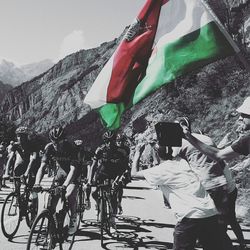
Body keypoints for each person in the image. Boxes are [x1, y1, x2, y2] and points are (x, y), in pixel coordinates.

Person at [132, 144, 224, 250]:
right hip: (210, 212)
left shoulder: (161, 170)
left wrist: (137, 153)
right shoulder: (182, 161)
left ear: (156, 154)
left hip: (190, 216)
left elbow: (134, 174)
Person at [173, 117, 232, 250]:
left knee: (197, 221)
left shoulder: (180, 143)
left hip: (203, 186)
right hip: (220, 183)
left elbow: (175, 165)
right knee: (219, 223)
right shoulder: (207, 138)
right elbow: (219, 158)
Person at [33, 126, 80, 235]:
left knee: (69, 194)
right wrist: (37, 183)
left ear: (64, 140)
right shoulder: (49, 148)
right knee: (50, 204)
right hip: (60, 174)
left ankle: (73, 218)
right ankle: (53, 228)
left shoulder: (71, 148)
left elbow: (73, 170)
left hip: (73, 175)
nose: (56, 145)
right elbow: (42, 167)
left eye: (58, 142)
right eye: (54, 142)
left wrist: (64, 186)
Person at [181, 96, 250, 161]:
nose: (240, 118)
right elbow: (219, 155)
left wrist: (188, 137)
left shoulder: (247, 140)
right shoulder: (246, 141)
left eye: (244, 114)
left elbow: (218, 155)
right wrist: (188, 136)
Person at [89, 130, 128, 229]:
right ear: (104, 141)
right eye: (107, 141)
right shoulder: (100, 150)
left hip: (114, 174)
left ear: (115, 140)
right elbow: (93, 165)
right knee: (94, 193)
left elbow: (123, 167)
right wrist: (90, 180)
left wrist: (117, 179)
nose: (109, 143)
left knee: (112, 196)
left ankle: (112, 220)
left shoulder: (121, 151)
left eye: (112, 141)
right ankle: (98, 204)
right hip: (101, 173)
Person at [4, 127, 41, 191]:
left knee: (31, 190)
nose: (20, 138)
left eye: (22, 136)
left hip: (32, 165)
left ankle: (33, 198)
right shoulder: (16, 145)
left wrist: (27, 173)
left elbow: (33, 159)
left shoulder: (32, 145)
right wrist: (6, 172)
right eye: (18, 136)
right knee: (17, 187)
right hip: (21, 165)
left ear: (26, 137)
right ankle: (18, 197)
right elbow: (10, 158)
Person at [115, 133, 131, 214]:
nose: (120, 143)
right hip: (112, 168)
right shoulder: (111, 147)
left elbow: (126, 161)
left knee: (120, 185)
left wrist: (127, 171)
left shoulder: (126, 149)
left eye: (121, 141)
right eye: (118, 141)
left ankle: (119, 203)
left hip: (122, 167)